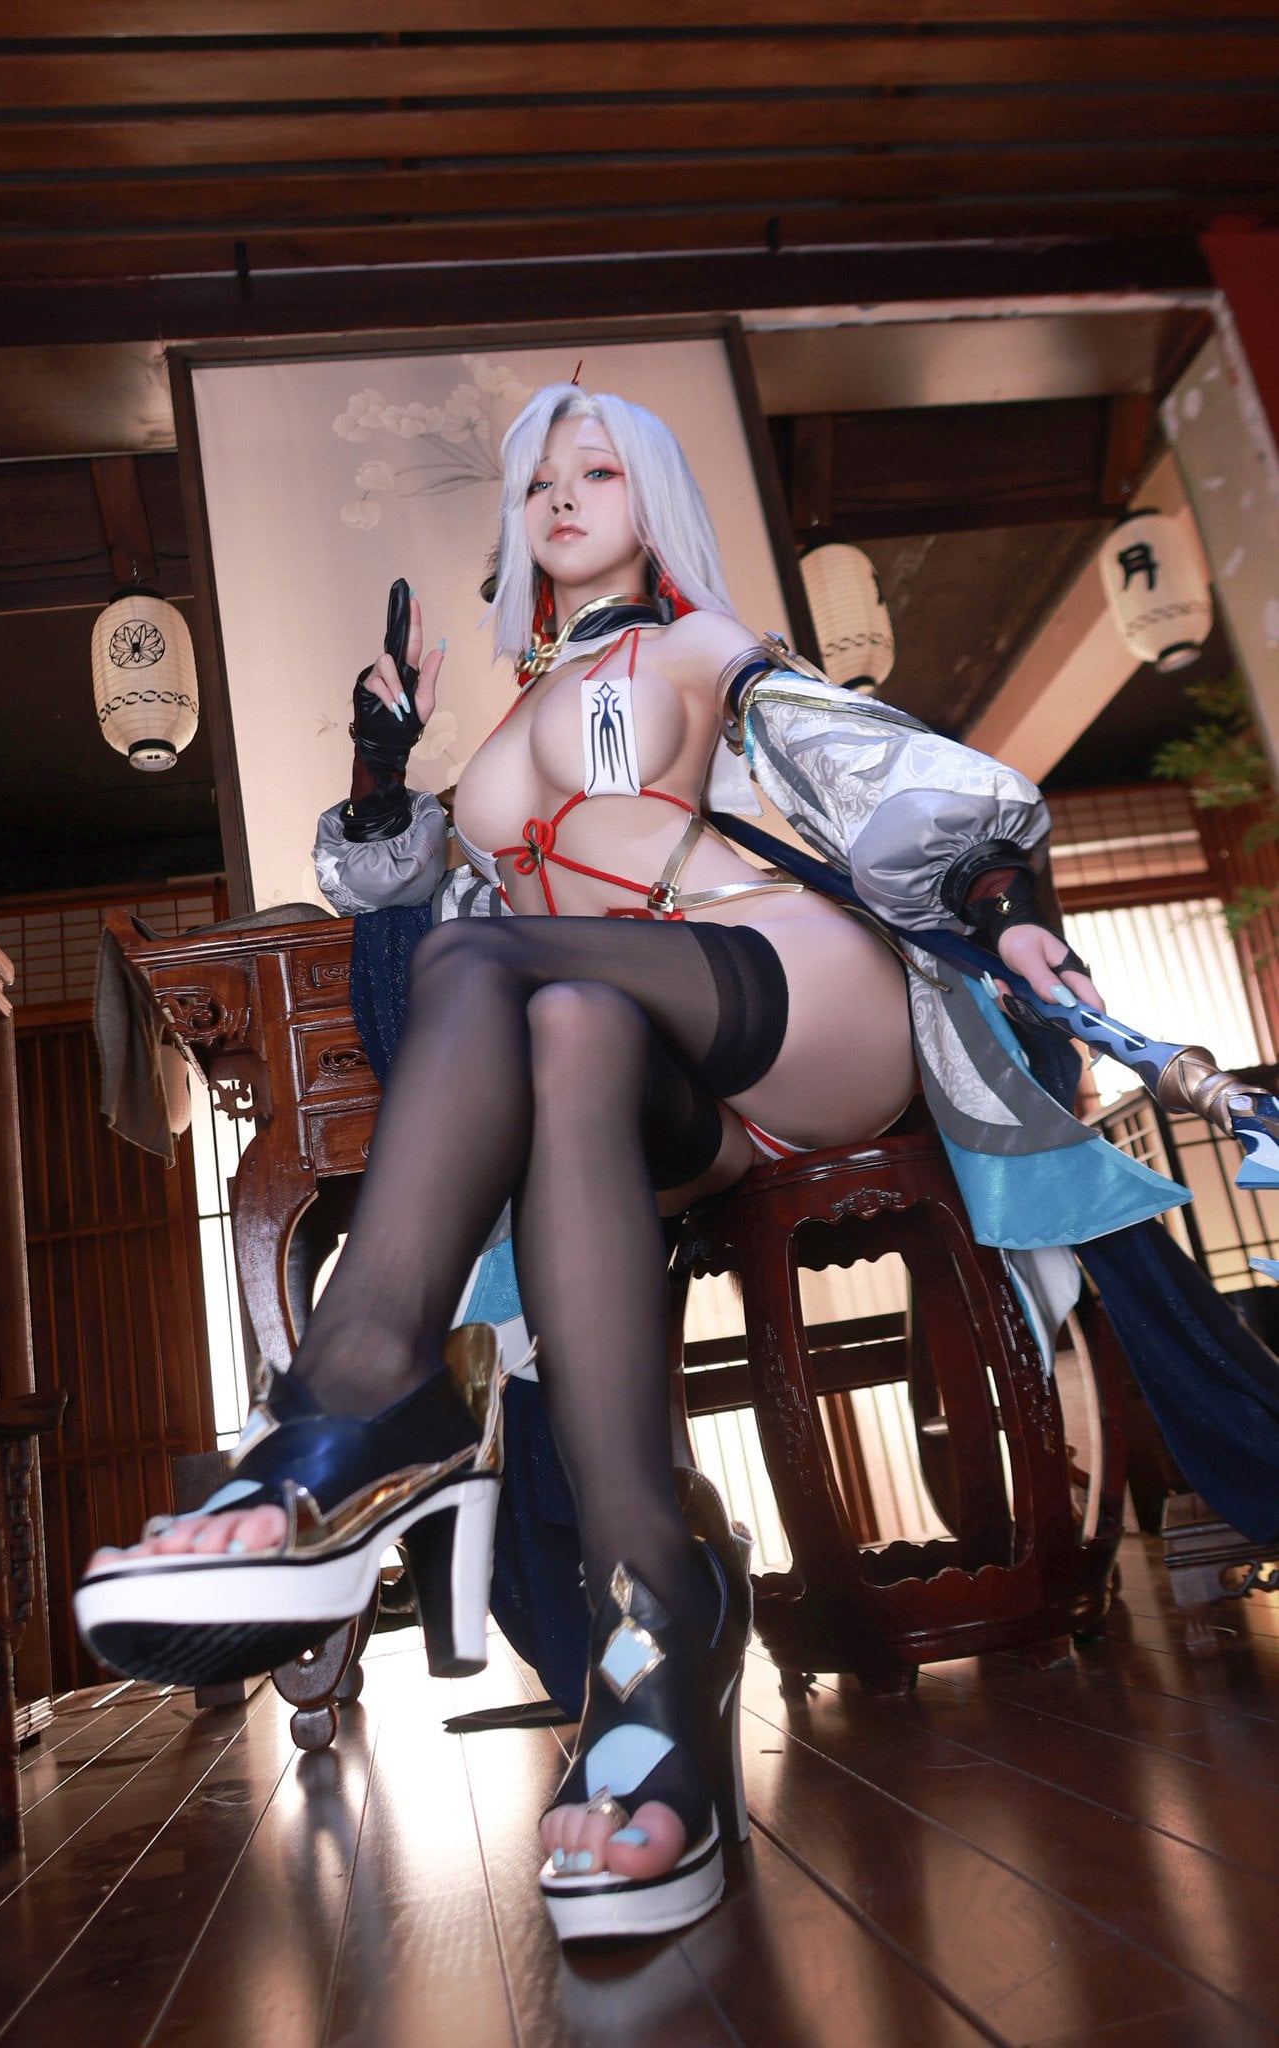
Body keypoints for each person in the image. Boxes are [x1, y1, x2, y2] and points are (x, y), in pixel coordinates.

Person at [76, 383, 1124, 1945]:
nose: (561, 496)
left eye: (597, 470)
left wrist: (1000, 902)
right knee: (553, 1012)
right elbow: (396, 891)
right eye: (537, 480)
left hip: (790, 995)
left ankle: (361, 1385)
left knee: (489, 974)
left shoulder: (702, 646)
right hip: (642, 1062)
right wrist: (381, 758)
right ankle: (653, 1619)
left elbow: (863, 762)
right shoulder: (511, 717)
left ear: (654, 500)